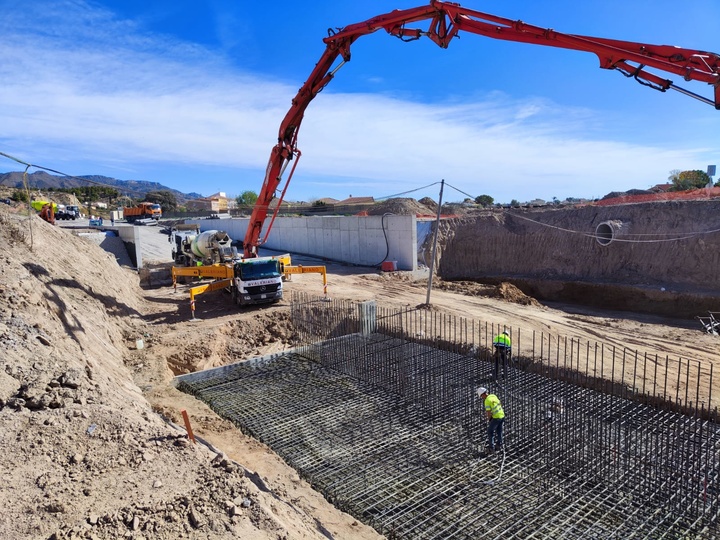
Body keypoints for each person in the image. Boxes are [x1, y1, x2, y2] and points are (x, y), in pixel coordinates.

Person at [477, 387, 505, 454]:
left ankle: (491, 448)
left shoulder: (487, 400)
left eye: (481, 396)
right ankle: (499, 445)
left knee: (490, 432)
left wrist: (489, 419)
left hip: (496, 418)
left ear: (483, 394)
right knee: (499, 431)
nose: (481, 398)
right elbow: (500, 404)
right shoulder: (493, 395)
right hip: (502, 415)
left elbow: (488, 412)